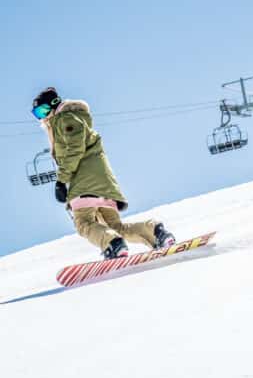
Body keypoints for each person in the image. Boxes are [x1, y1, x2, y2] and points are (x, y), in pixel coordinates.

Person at [31, 87, 176, 259]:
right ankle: (155, 233)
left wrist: (61, 181)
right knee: (116, 228)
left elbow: (75, 149)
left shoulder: (65, 119)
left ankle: (112, 244)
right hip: (103, 184)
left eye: (43, 110)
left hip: (84, 184)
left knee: (84, 223)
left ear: (55, 104)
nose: (42, 117)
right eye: (37, 114)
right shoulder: (73, 119)